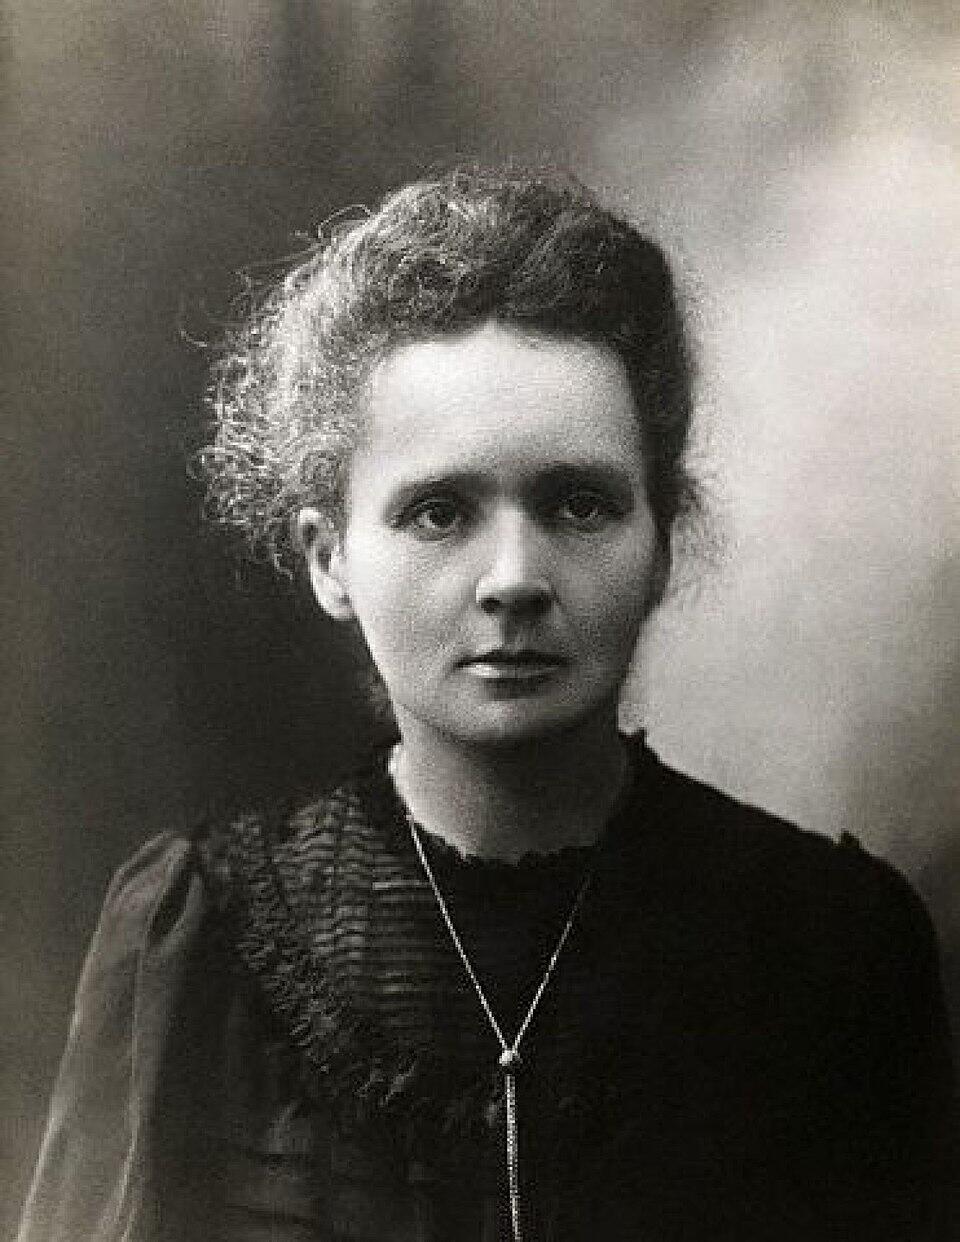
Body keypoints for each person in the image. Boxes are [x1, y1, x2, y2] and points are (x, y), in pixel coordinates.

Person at [18, 167, 956, 1242]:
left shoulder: (830, 951)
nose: (514, 578)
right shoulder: (195, 947)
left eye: (580, 504)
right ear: (330, 559)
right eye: (438, 512)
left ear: (661, 543)